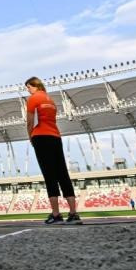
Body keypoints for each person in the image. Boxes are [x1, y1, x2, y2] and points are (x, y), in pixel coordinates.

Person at [24, 76, 81, 224]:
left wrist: (31, 137)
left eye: (29, 87)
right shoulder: (50, 100)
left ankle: (56, 214)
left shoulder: (33, 99)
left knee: (49, 175)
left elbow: (30, 122)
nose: (28, 90)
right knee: (62, 174)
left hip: (41, 137)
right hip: (55, 137)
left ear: (35, 86)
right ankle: (73, 213)